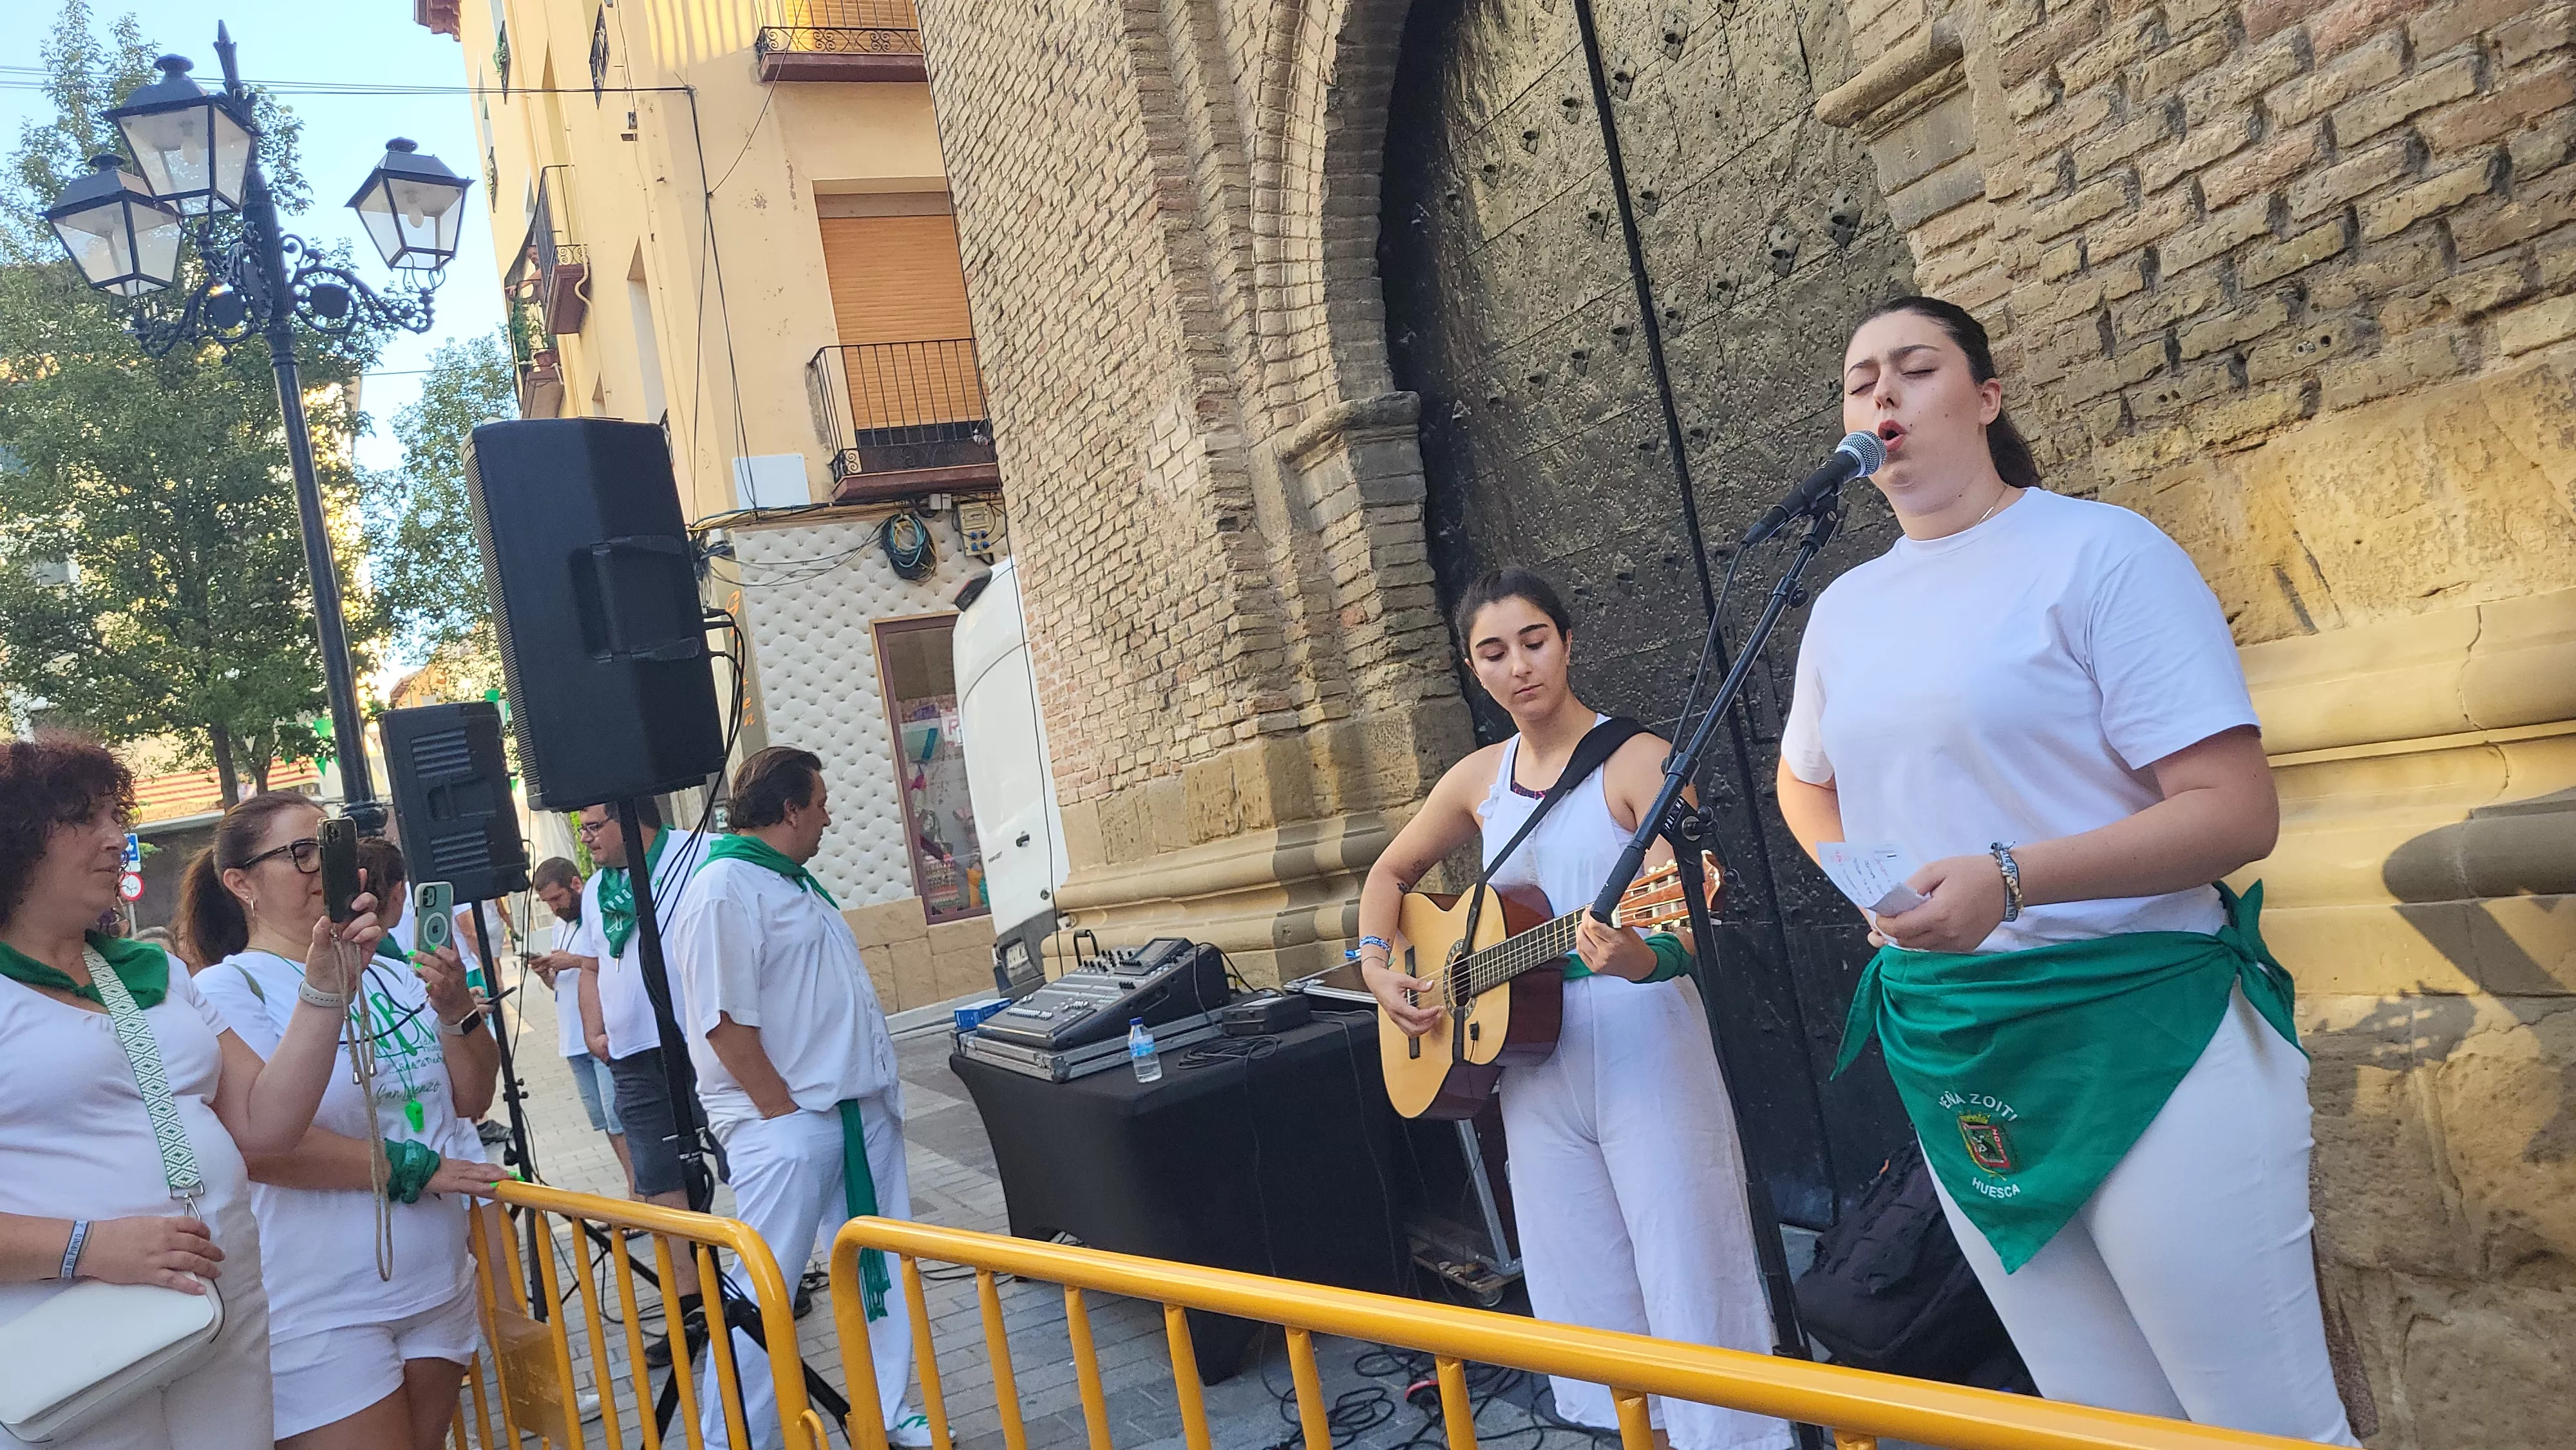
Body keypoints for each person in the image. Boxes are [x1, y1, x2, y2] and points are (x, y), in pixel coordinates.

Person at [1776, 296, 2356, 1443]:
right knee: (2097, 1425)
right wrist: (1873, 887)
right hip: (1957, 1051)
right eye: (1858, 379)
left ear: (1986, 398)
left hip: (2139, 1036)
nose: (1880, 392)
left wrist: (2008, 879)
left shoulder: (2101, 552)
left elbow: (2235, 810)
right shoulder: (1843, 610)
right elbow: (1804, 781)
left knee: (2259, 1426)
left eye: (1914, 367)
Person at [1356, 572, 1790, 1450]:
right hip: (1530, 1062)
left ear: (1566, 641)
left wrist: (1642, 956)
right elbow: (1388, 875)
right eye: (1494, 652)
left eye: (1534, 641)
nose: (1519, 666)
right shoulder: (1478, 778)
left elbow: (1690, 917)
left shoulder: (1639, 761)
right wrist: (1376, 966)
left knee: (1688, 1264)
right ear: (1472, 666)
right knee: (1582, 1279)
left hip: (1640, 1038)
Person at [0, 739, 379, 1450]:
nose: (117, 839)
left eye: (116, 816)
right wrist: (87, 1246)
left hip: (222, 1311)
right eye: (85, 818)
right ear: (14, 842)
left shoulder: (155, 971)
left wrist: (326, 987)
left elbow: (264, 1125)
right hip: (76, 1341)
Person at [187, 796, 511, 1450]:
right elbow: (264, 1146)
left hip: (437, 1286)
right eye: (302, 852)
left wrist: (456, 1011)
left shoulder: (392, 973)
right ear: (241, 883)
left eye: (336, 847)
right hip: (324, 1306)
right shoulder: (227, 991)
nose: (328, 868)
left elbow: (471, 1099)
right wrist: (417, 1168)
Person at [668, 748, 928, 1450]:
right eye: (820, 803)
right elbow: (723, 1018)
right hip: (788, 1121)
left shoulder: (788, 881)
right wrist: (780, 1111)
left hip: (853, 1112)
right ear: (789, 810)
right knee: (767, 1287)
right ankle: (734, 1437)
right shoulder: (724, 888)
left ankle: (886, 1408)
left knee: (879, 1268)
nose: (828, 817)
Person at [557, 796, 712, 1359]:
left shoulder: (699, 855)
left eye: (593, 827)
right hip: (632, 1057)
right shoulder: (599, 889)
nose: (587, 840)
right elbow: (594, 965)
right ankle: (692, 1305)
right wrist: (594, 1029)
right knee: (657, 1179)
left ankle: (771, 1280)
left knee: (745, 1158)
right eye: (582, 830)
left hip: (703, 1043)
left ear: (629, 818)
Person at [527, 856, 635, 1191]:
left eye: (557, 899)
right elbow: (562, 985)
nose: (554, 908)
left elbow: (616, 963)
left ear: (576, 884)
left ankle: (640, 1190)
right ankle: (633, 1183)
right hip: (573, 1038)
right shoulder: (562, 926)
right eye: (547, 902)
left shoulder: (598, 913)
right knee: (604, 1120)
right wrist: (547, 974)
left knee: (619, 1117)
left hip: (601, 1031)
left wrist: (573, 960)